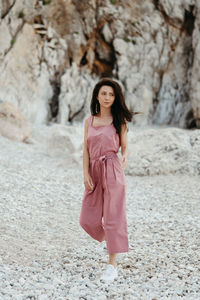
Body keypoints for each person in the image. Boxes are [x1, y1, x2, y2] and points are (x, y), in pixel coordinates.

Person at [79, 77, 133, 282]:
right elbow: (85, 149)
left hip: (112, 167)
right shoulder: (89, 121)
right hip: (94, 169)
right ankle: (113, 236)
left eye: (111, 94)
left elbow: (125, 146)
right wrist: (85, 173)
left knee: (113, 216)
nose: (107, 97)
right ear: (97, 96)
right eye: (104, 93)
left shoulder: (120, 120)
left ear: (115, 97)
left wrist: (125, 156)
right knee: (87, 220)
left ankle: (112, 265)